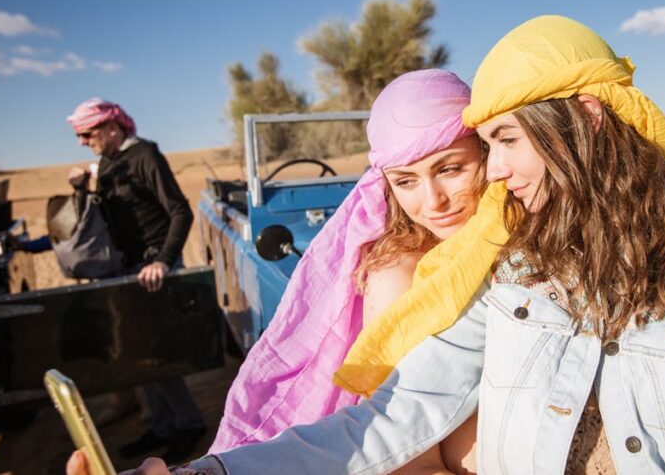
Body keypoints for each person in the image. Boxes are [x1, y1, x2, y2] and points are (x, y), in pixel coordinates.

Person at [92, 15, 665, 474]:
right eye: (488, 145)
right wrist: (213, 472)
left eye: (504, 142)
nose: (495, 173)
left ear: (587, 118)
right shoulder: (516, 262)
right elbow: (394, 413)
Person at [206, 69, 488, 472]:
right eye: (406, 181)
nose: (434, 201)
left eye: (450, 169)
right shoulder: (401, 275)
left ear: (486, 152)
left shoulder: (506, 241)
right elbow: (410, 458)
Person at [66, 98, 207, 464]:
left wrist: (162, 260)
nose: (82, 141)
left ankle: (188, 424)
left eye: (87, 133)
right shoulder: (108, 163)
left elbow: (180, 210)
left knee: (155, 353)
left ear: (112, 127)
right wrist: (82, 188)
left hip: (152, 269)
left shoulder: (145, 155)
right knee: (137, 354)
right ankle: (161, 426)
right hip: (127, 270)